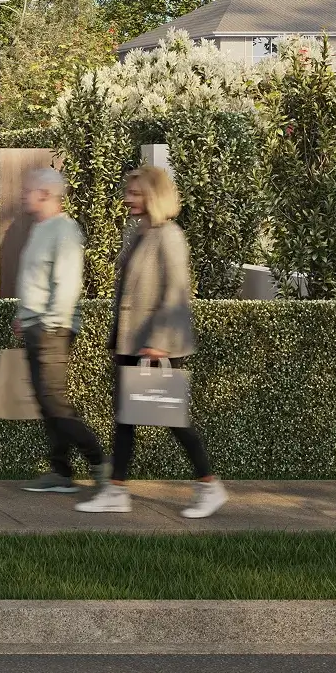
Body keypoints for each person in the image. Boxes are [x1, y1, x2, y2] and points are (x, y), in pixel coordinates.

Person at [76, 165, 226, 518]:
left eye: (135, 193)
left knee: (174, 418)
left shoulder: (169, 235)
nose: (128, 199)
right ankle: (117, 490)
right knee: (125, 418)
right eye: (128, 192)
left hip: (155, 343)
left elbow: (176, 292)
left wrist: (158, 341)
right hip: (132, 340)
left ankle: (210, 485)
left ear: (153, 195)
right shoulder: (141, 231)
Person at [12, 167, 108, 494]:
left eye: (28, 190)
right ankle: (61, 472)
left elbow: (67, 283)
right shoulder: (39, 229)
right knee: (45, 401)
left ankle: (99, 462)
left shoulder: (64, 230)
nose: (23, 195)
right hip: (36, 325)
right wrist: (22, 316)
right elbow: (36, 281)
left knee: (53, 400)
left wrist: (51, 323)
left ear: (46, 194)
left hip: (53, 328)